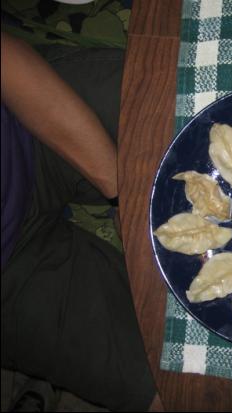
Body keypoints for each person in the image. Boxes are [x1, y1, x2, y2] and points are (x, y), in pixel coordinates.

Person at [1, 31, 161, 411]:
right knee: (173, 388)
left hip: (24, 119)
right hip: (11, 269)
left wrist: (121, 192)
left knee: (199, 113)